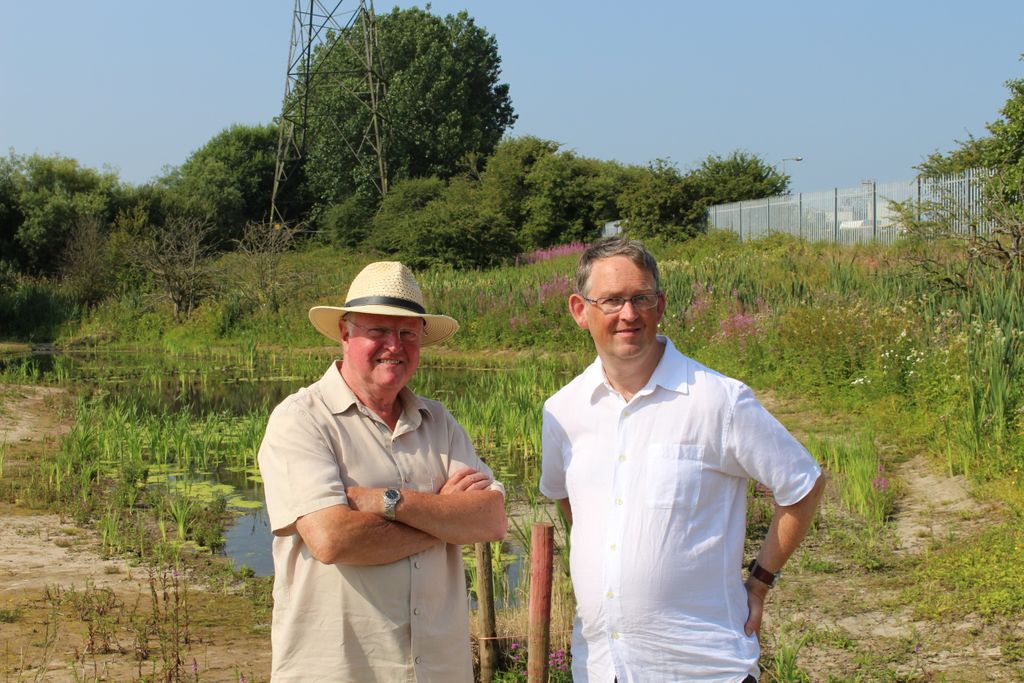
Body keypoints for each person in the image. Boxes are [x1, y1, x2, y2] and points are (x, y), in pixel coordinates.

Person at [540, 238, 825, 682]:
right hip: (601, 667)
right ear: (580, 310)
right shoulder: (563, 410)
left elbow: (803, 484)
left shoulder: (719, 401)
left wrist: (761, 579)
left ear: (661, 305)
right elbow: (569, 501)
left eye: (641, 298)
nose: (628, 314)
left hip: (702, 666)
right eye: (612, 300)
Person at [258, 261, 507, 682]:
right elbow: (333, 539)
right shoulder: (301, 420)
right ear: (345, 333)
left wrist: (385, 501)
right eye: (378, 331)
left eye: (408, 333)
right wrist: (445, 519)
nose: (395, 345)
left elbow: (491, 518)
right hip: (341, 670)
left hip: (439, 671)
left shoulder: (439, 422)